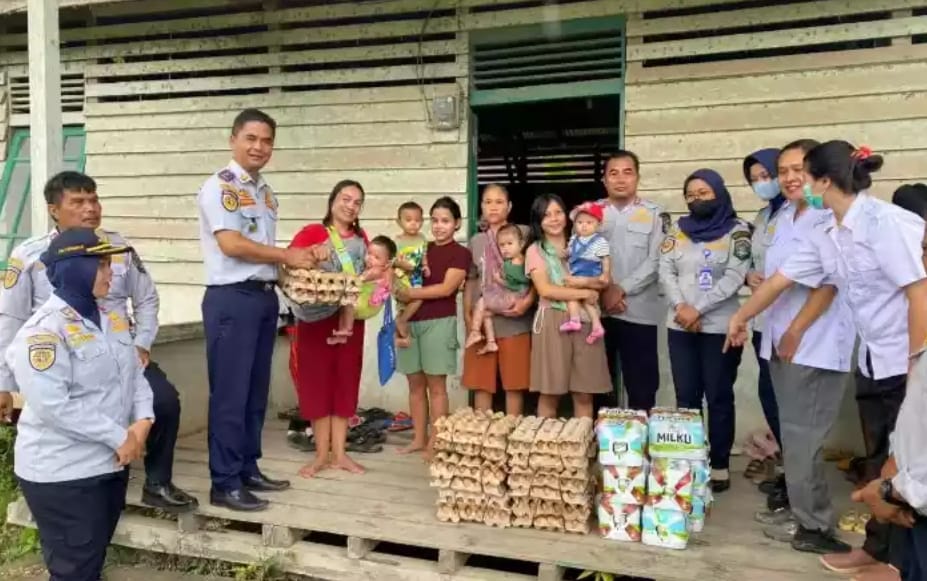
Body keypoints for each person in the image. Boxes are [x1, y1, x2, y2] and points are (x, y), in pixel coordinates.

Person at [725, 142, 927, 569]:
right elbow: (781, 279)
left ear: (824, 180)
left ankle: (904, 562)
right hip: (873, 359)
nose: (791, 181)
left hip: (908, 362)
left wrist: (918, 365)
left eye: (801, 173)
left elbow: (919, 291)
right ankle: (881, 553)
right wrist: (741, 316)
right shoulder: (830, 232)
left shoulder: (887, 223)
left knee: (913, 466)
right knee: (882, 463)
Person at [0, 171, 197, 514]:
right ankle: (56, 493)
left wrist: (142, 344)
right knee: (62, 414)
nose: (90, 208)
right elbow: (10, 319)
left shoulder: (118, 248)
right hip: (65, 361)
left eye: (94, 199)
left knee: (164, 402)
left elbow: (147, 299)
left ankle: (157, 483)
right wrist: (3, 382)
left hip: (121, 355)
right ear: (54, 210)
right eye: (78, 202)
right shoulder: (30, 255)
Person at [728, 139, 857, 555]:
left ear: (820, 171)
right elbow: (772, 278)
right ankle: (801, 513)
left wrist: (790, 327)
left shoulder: (825, 218)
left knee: (804, 440)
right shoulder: (785, 216)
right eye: (781, 170)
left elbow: (826, 286)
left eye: (797, 168)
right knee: (794, 436)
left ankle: (814, 525)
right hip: (781, 343)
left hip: (812, 347)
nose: (787, 177)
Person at [6, 228, 153, 581]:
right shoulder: (42, 333)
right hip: (64, 473)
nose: (111, 273)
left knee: (90, 560)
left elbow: (135, 375)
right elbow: (54, 405)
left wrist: (143, 421)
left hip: (109, 464)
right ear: (75, 269)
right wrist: (121, 436)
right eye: (101, 265)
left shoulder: (112, 317)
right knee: (75, 569)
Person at [197, 108, 316, 511]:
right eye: (251, 138)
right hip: (232, 299)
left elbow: (266, 257)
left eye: (266, 140)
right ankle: (224, 482)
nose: (259, 147)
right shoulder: (220, 187)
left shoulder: (264, 192)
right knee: (230, 394)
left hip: (263, 297)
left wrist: (294, 277)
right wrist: (288, 254)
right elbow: (231, 244)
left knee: (254, 394)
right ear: (233, 139)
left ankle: (247, 468)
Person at [659, 169, 751, 493]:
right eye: (691, 194)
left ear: (719, 193)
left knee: (719, 395)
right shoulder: (677, 231)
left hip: (720, 328)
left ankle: (720, 464)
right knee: (686, 396)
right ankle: (689, 460)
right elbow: (665, 270)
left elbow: (735, 275)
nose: (696, 199)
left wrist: (698, 309)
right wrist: (682, 308)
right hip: (680, 326)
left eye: (703, 192)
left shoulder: (738, 231)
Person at [852, 184, 927, 581]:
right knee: (886, 447)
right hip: (882, 361)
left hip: (899, 365)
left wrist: (887, 491)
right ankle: (897, 561)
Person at [287, 180, 373, 477]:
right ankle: (321, 455)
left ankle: (340, 454)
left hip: (351, 322)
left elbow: (370, 273)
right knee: (317, 385)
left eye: (357, 202)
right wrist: (313, 253)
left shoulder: (362, 239)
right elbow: (290, 266)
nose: (350, 205)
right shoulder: (313, 232)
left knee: (345, 385)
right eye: (345, 198)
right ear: (332, 200)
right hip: (316, 321)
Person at [394, 197, 471, 457]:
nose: (439, 226)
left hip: (439, 322)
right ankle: (418, 437)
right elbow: (398, 272)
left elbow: (446, 289)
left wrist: (411, 292)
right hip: (409, 321)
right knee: (415, 384)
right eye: (435, 220)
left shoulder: (461, 253)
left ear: (457, 224)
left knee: (436, 386)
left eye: (445, 221)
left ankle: (436, 441)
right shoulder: (421, 247)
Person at [524, 193, 611, 419]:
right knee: (550, 393)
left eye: (558, 213)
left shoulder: (585, 242)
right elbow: (546, 290)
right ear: (538, 221)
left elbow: (604, 278)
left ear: (567, 215)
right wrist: (585, 291)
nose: (554, 219)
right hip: (553, 319)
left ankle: (579, 448)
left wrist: (591, 285)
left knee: (584, 392)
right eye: (546, 215)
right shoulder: (535, 250)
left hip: (587, 319)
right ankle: (547, 450)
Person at [598, 151, 668, 410]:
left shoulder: (656, 214)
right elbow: (581, 255)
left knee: (642, 385)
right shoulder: (592, 213)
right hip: (598, 312)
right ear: (604, 179)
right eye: (613, 173)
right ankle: (601, 442)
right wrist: (604, 290)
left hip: (639, 312)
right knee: (598, 383)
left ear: (637, 177)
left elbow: (657, 259)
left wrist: (620, 289)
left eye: (627, 172)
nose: (620, 179)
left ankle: (639, 443)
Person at [461, 184, 535, 416]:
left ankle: (512, 435)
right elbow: (472, 280)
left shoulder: (523, 233)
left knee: (514, 383)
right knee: (482, 382)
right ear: (481, 206)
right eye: (488, 202)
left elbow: (537, 274)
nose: (493, 207)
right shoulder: (476, 241)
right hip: (484, 320)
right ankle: (484, 437)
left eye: (499, 202)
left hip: (515, 318)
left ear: (509, 206)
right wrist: (468, 314)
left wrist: (528, 301)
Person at [742, 147, 785, 487]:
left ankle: (794, 478)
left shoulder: (801, 213)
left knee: (789, 401)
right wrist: (748, 276)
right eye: (755, 179)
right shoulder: (761, 217)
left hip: (790, 320)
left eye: (766, 176)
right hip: (761, 320)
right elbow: (751, 260)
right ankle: (786, 470)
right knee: (768, 392)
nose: (762, 183)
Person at [465, 223, 530, 354]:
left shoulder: (516, 264)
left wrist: (499, 280)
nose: (505, 248)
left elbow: (520, 282)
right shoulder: (514, 261)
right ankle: (491, 342)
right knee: (485, 314)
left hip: (514, 297)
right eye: (502, 245)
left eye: (509, 244)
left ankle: (475, 331)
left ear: (521, 244)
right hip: (514, 297)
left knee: (482, 302)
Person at [326, 235, 395, 345]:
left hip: (367, 304)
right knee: (344, 306)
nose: (370, 258)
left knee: (347, 301)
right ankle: (342, 335)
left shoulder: (376, 271)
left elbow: (358, 280)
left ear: (387, 263)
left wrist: (350, 279)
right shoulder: (382, 269)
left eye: (376, 257)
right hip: (368, 302)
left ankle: (347, 329)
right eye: (369, 253)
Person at [561, 202, 610, 344]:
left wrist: (605, 273)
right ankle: (597, 326)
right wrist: (564, 254)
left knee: (574, 295)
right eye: (580, 222)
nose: (584, 225)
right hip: (576, 272)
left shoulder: (600, 241)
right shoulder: (573, 239)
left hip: (590, 272)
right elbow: (569, 253)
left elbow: (605, 259)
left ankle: (575, 319)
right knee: (586, 302)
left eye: (589, 222)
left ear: (598, 225)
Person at [393, 201, 429, 348]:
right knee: (404, 302)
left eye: (417, 220)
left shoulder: (422, 239)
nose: (413, 224)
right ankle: (400, 328)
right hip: (401, 278)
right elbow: (391, 260)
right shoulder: (398, 241)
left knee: (418, 298)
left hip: (416, 277)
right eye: (408, 220)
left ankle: (401, 322)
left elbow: (424, 254)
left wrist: (426, 265)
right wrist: (399, 263)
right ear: (399, 222)